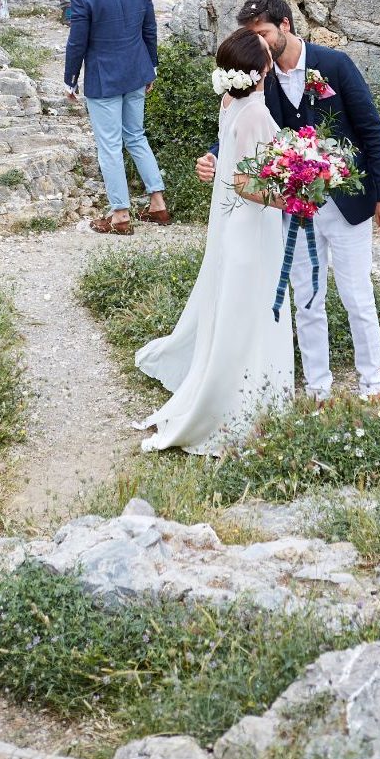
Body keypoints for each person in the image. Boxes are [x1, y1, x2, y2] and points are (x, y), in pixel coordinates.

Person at [195, 0, 380, 403]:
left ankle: (372, 382)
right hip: (293, 210)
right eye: (253, 34)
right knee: (306, 300)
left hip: (347, 203)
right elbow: (246, 131)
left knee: (356, 294)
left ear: (285, 25)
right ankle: (318, 386)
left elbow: (373, 130)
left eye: (264, 32)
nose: (260, 42)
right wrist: (216, 157)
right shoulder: (261, 76)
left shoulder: (335, 65)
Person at [136, 28, 294, 454]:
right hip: (252, 225)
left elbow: (231, 168)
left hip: (234, 226)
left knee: (235, 307)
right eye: (266, 53)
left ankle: (230, 383)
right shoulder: (256, 114)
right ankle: (239, 398)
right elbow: (246, 184)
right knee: (251, 310)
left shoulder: (231, 102)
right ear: (261, 70)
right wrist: (294, 196)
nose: (272, 54)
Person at [64, 0, 169, 235]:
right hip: (137, 71)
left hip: (104, 79)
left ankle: (120, 213)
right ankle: (158, 201)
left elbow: (76, 43)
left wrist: (70, 80)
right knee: (136, 136)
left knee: (109, 145)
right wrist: (152, 66)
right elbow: (150, 30)